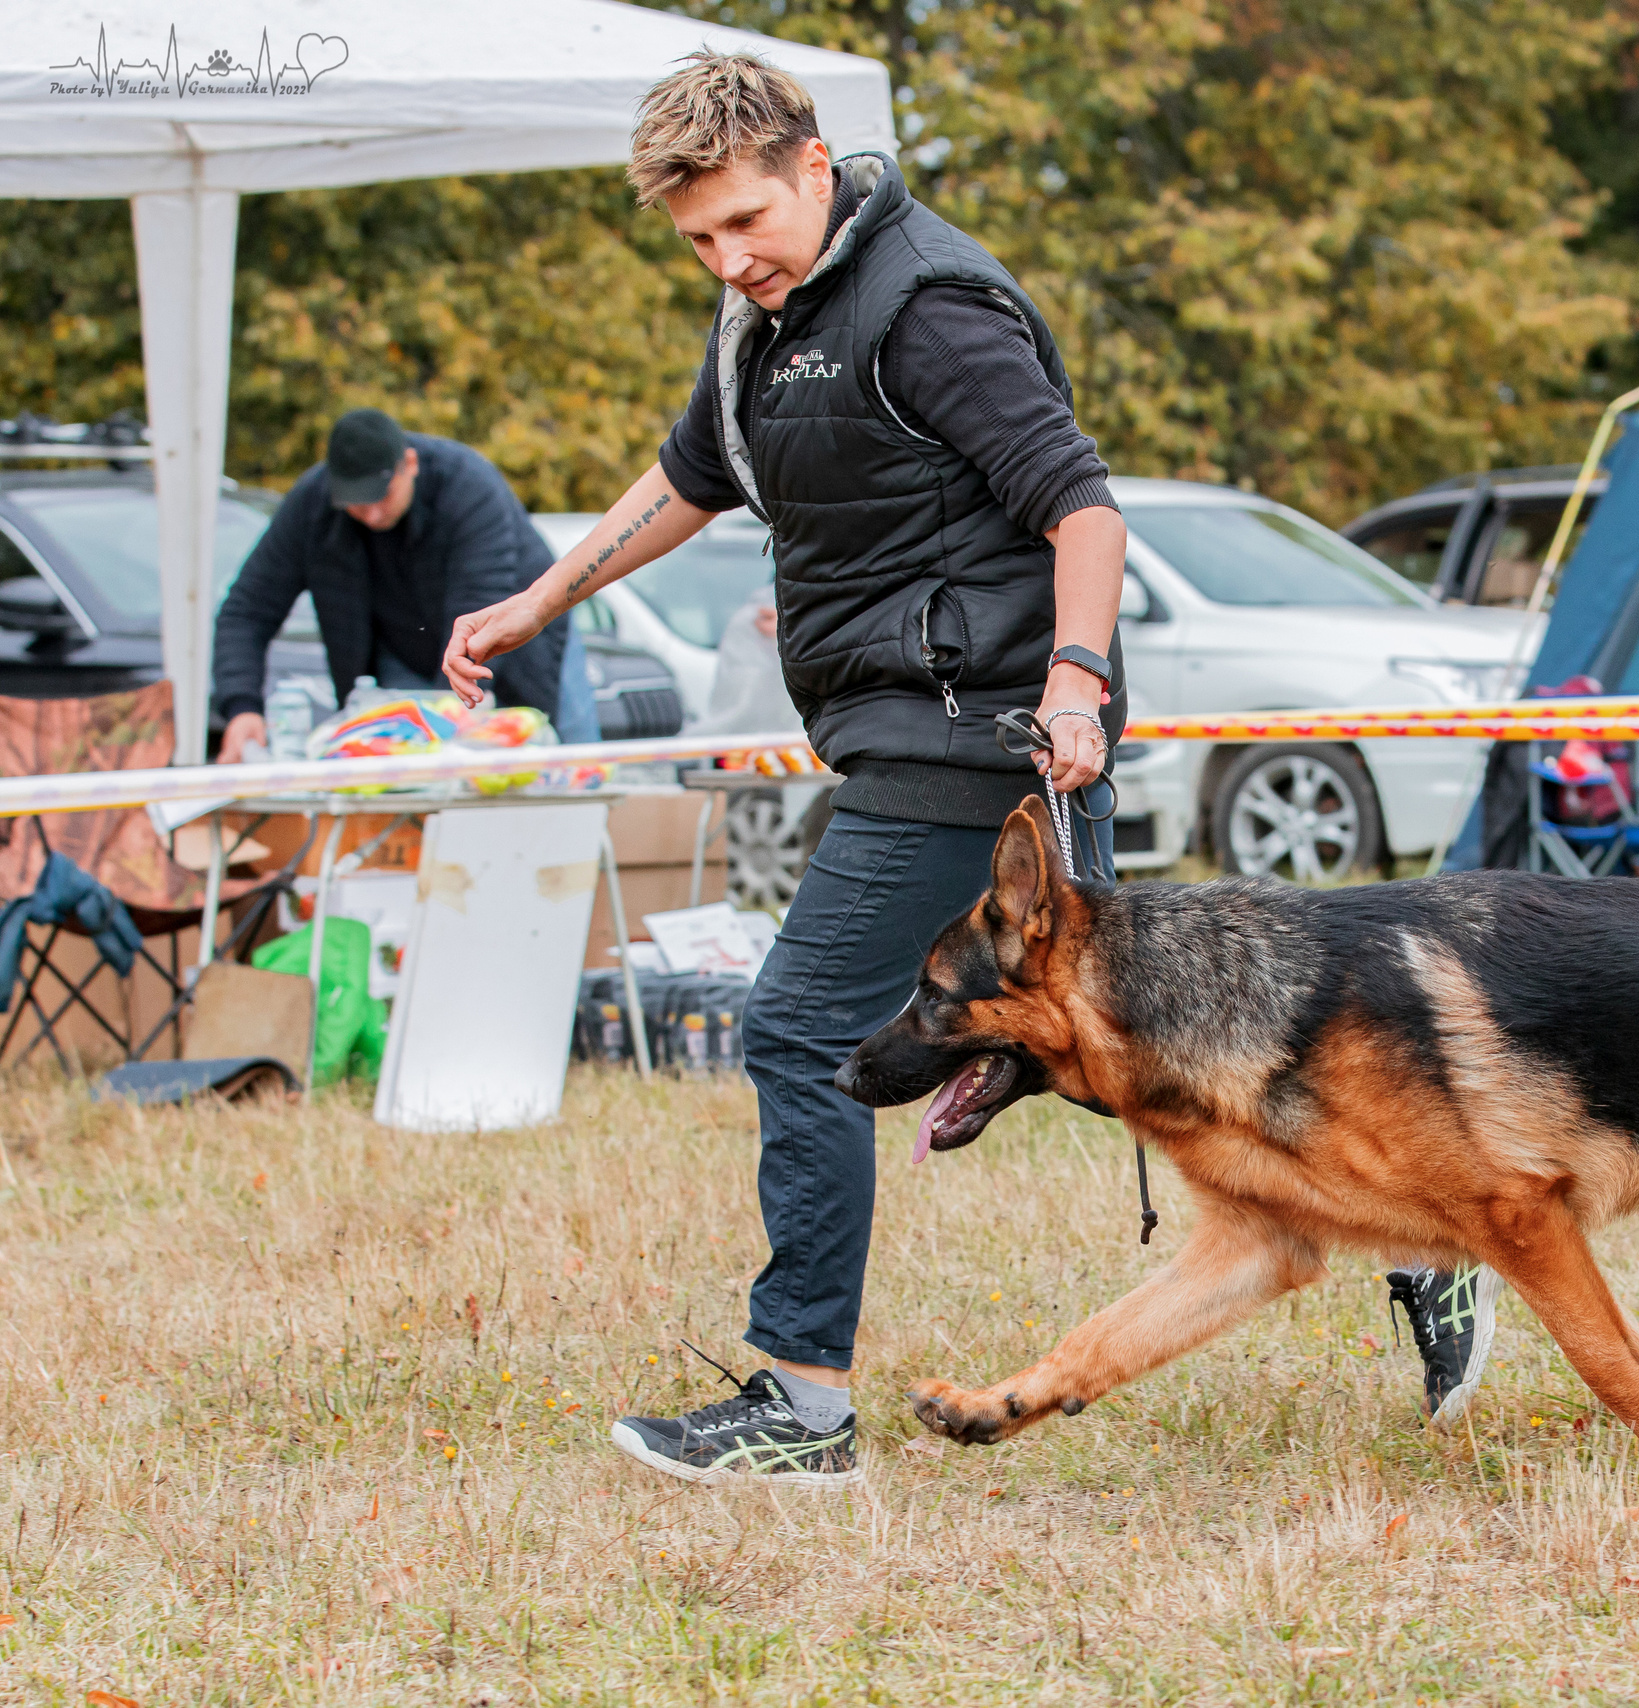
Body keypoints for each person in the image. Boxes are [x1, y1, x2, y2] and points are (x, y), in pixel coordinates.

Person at [435, 51, 1139, 1486]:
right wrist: (532, 605)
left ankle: (802, 1408)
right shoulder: (760, 321)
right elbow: (690, 475)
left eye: (747, 220)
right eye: (699, 238)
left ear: (817, 167)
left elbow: (1083, 509)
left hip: (977, 735)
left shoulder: (926, 306)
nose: (729, 255)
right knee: (1111, 1044)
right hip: (899, 727)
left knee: (803, 1030)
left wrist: (1075, 683)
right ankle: (1428, 1245)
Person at [211, 408, 597, 761]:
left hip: (524, 638)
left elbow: (480, 610)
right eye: (358, 504)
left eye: (382, 496)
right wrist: (242, 706)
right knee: (414, 784)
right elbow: (246, 610)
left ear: (408, 464)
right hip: (401, 655)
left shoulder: (467, 485)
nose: (372, 513)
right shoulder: (312, 505)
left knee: (565, 763)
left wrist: (450, 723)